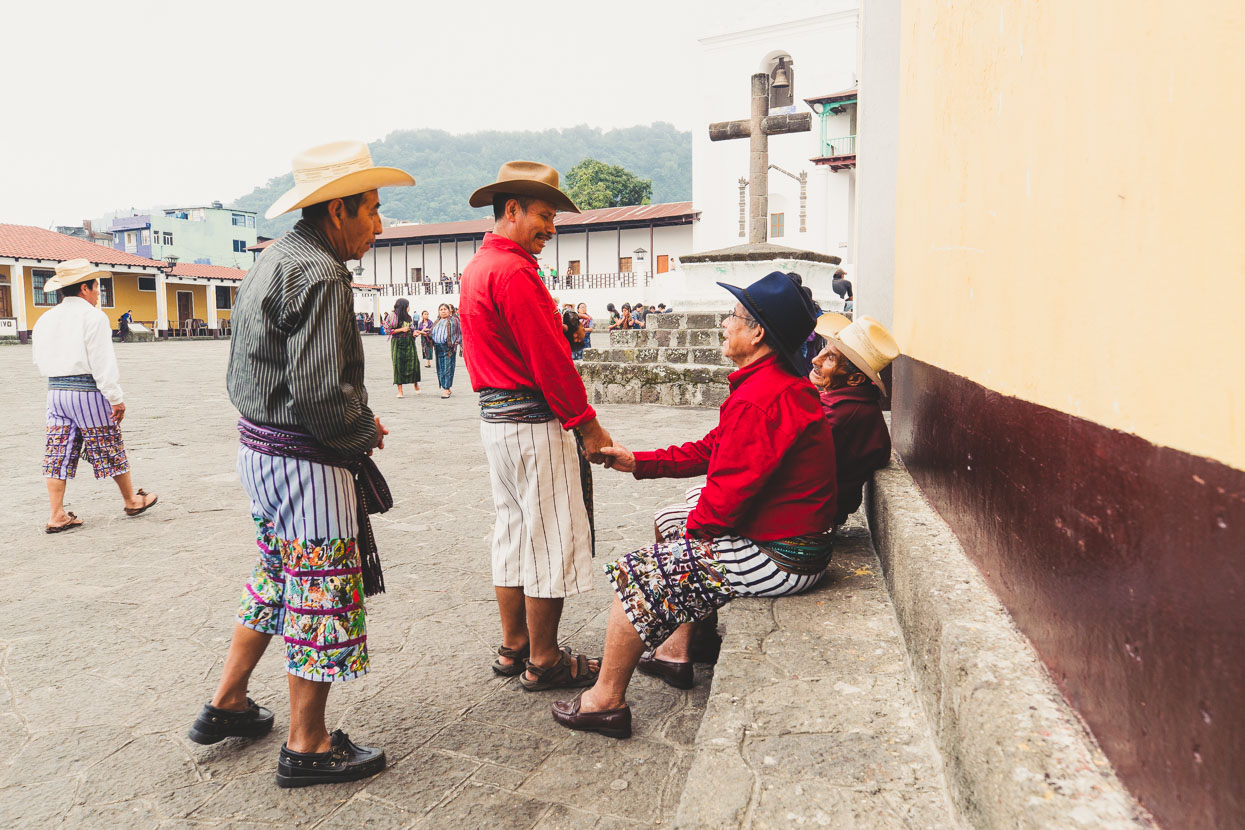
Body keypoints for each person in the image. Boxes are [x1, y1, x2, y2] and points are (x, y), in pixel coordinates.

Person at [189, 140, 412, 788]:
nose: (377, 223)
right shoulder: (318, 273)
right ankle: (307, 741)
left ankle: (229, 701)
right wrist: (362, 427)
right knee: (317, 592)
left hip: (260, 451)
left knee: (277, 577)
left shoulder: (277, 257)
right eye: (371, 209)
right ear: (338, 209)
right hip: (302, 462)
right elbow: (318, 395)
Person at [550, 271, 836, 739]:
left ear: (758, 332)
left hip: (785, 556)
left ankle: (604, 703)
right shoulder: (768, 386)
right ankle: (681, 647)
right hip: (790, 541)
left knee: (640, 574)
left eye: (733, 317)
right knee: (672, 529)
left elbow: (723, 503)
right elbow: (711, 450)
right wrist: (637, 461)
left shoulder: (764, 398)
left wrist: (672, 562)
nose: (725, 324)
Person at [459, 160, 613, 692]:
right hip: (530, 423)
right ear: (511, 210)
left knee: (513, 532)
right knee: (550, 537)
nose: (550, 228)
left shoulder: (481, 265)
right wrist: (586, 424)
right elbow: (550, 360)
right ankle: (545, 659)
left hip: (496, 423)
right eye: (544, 216)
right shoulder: (516, 271)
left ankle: (514, 645)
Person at [32, 259, 159, 533]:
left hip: (55, 392)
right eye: (97, 287)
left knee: (56, 453)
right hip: (87, 392)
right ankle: (132, 500)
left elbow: (38, 359)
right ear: (85, 288)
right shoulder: (94, 317)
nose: (98, 292)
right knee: (110, 444)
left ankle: (57, 514)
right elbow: (102, 362)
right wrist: (115, 397)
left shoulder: (45, 318)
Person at [809, 313, 900, 526]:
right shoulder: (851, 403)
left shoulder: (841, 415)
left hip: (812, 520)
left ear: (855, 379)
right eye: (824, 348)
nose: (816, 359)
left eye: (831, 358)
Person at [385, 298, 420, 397]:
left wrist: (414, 333)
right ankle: (400, 391)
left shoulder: (408, 317)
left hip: (409, 342)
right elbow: (387, 330)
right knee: (398, 365)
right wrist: (401, 329)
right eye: (408, 305)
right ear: (403, 306)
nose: (409, 307)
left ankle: (415, 384)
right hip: (397, 342)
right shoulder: (391, 316)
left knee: (414, 363)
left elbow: (412, 328)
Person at [430, 302, 461, 398]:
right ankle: (445, 386)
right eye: (441, 309)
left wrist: (456, 342)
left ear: (449, 311)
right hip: (438, 347)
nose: (443, 311)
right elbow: (432, 333)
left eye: (445, 309)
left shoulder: (454, 321)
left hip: (448, 348)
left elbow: (460, 333)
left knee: (448, 368)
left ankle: (446, 389)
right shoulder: (436, 321)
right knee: (440, 369)